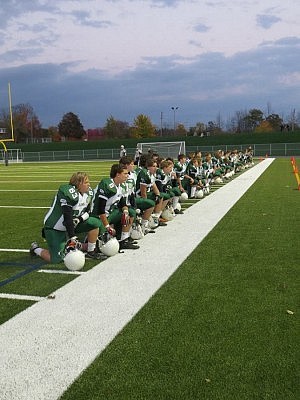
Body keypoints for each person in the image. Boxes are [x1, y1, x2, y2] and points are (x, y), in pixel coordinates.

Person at [30, 172, 106, 263]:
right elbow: (67, 217)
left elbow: (88, 212)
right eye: (86, 182)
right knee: (57, 259)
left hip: (72, 224)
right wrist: (73, 237)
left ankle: (91, 250)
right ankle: (35, 249)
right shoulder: (69, 193)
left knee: (95, 222)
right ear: (78, 184)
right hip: (55, 227)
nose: (89, 184)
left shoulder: (88, 193)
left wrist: (79, 219)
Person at [91, 164, 139, 250]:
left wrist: (125, 212)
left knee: (131, 213)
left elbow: (122, 202)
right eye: (125, 173)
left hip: (110, 213)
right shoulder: (107, 184)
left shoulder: (121, 185)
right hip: (98, 216)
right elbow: (100, 209)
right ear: (118, 174)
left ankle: (123, 240)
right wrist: (107, 226)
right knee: (102, 244)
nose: (127, 175)